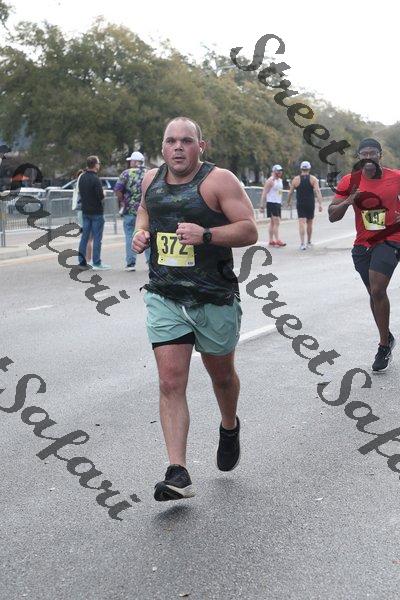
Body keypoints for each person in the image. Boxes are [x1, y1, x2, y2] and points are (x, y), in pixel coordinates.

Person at [132, 116, 258, 501]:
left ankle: (229, 424)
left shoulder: (219, 181)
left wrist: (206, 235)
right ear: (162, 146)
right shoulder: (150, 179)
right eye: (171, 140)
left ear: (200, 146)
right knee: (170, 381)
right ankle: (178, 472)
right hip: (165, 294)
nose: (178, 147)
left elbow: (249, 229)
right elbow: (145, 209)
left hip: (213, 297)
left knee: (222, 377)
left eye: (186, 141)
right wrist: (141, 232)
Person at [328, 138, 400, 372]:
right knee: (373, 293)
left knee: (378, 289)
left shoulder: (396, 177)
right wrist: (349, 200)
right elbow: (332, 215)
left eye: (372, 153)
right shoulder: (350, 181)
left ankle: (382, 346)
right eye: (364, 153)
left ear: (380, 155)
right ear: (358, 157)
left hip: (391, 238)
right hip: (363, 244)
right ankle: (387, 336)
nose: (368, 157)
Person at [115, 151, 150, 271]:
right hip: (146, 211)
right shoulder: (148, 173)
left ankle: (131, 263)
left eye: (131, 161)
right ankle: (151, 263)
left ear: (135, 161)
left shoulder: (126, 173)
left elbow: (118, 189)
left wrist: (122, 201)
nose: (130, 163)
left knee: (130, 236)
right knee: (147, 235)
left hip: (129, 210)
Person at [78, 155, 110, 270]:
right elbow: (100, 196)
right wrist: (104, 193)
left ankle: (82, 262)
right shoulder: (96, 179)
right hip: (97, 212)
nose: (99, 165)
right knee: (97, 238)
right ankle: (96, 262)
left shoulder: (82, 177)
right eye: (98, 163)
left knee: (84, 237)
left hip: (85, 211)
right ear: (95, 165)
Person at [287, 161, 323, 250]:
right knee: (309, 223)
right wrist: (320, 204)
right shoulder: (313, 179)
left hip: (300, 203)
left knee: (301, 223)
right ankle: (309, 242)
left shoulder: (296, 179)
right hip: (310, 203)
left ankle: (302, 244)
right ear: (309, 169)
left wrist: (288, 202)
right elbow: (317, 191)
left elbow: (290, 192)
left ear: (301, 169)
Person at [259, 164, 286, 247]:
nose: (280, 172)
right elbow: (264, 193)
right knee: (276, 221)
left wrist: (281, 202)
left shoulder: (280, 180)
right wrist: (262, 205)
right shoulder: (270, 181)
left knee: (272, 222)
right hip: (271, 203)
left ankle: (271, 240)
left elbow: (279, 192)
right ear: (274, 172)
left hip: (277, 202)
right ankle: (277, 240)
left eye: (281, 171)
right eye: (278, 171)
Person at [73, 168, 93, 265]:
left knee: (85, 237)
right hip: (86, 211)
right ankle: (87, 260)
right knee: (88, 238)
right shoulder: (84, 185)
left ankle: (83, 259)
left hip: (80, 212)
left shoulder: (76, 185)